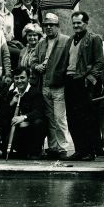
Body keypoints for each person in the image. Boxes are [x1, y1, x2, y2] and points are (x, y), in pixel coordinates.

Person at [63, 11, 104, 161]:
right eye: (74, 23)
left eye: (79, 23)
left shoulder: (94, 39)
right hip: (70, 81)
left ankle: (89, 151)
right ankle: (79, 150)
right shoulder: (70, 40)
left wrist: (90, 80)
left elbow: (99, 62)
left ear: (86, 23)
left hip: (85, 82)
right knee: (72, 118)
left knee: (87, 118)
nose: (76, 26)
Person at [31, 13, 70, 160]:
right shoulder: (41, 43)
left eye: (51, 25)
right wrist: (37, 67)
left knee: (60, 118)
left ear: (57, 27)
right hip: (45, 85)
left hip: (59, 85)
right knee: (50, 119)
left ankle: (63, 148)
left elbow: (70, 63)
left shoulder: (66, 41)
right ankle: (53, 147)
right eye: (46, 25)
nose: (48, 27)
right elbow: (33, 61)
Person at [5, 69, 46, 159]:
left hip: (30, 128)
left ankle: (35, 152)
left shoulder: (35, 93)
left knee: (39, 122)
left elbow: (39, 111)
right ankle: (21, 151)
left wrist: (24, 118)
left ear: (28, 78)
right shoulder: (11, 93)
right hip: (17, 129)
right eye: (16, 78)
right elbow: (3, 113)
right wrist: (12, 102)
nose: (19, 81)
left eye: (22, 78)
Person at [0, 0, 22, 70]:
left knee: (21, 53)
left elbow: (12, 33)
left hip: (7, 43)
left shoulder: (10, 15)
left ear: (5, 1)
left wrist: (9, 37)